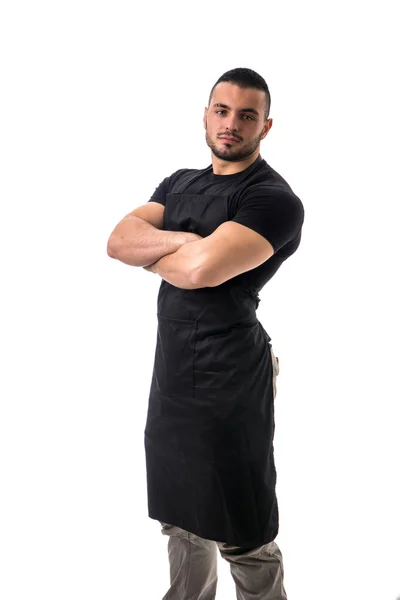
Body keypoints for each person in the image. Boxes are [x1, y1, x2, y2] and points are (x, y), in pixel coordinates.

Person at [107, 67, 305, 600]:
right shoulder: (179, 183)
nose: (231, 124)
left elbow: (201, 272)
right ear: (205, 115)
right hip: (172, 370)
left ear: (266, 126)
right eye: (222, 111)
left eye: (247, 115)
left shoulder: (273, 199)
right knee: (180, 516)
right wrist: (187, 243)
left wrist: (161, 251)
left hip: (232, 373)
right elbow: (120, 241)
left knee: (243, 524)